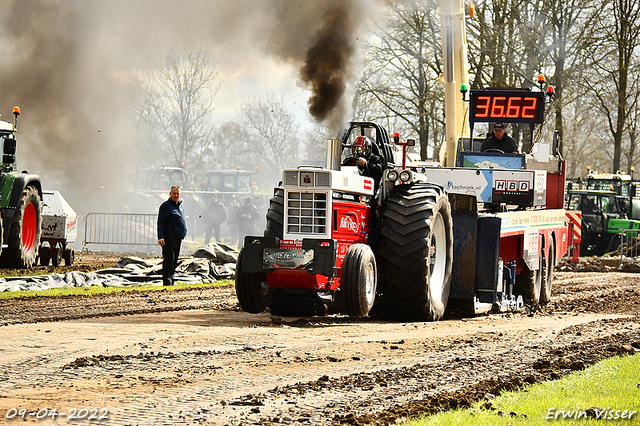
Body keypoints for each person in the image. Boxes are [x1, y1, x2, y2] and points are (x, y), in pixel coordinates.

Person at [157, 185, 187, 286]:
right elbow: (161, 222)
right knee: (168, 259)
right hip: (168, 237)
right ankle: (167, 280)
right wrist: (160, 236)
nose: (176, 195)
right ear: (170, 194)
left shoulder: (179, 205)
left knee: (175, 259)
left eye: (177, 193)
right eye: (174, 193)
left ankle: (172, 277)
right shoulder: (166, 206)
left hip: (178, 237)